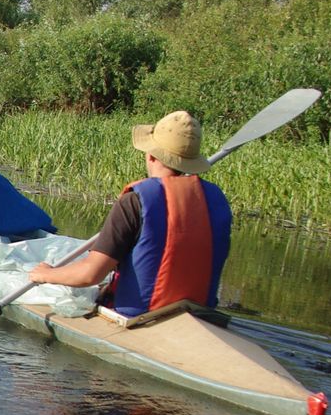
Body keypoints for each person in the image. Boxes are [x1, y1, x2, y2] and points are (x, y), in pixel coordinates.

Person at [28, 110, 232, 318]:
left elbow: (90, 274)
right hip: (201, 314)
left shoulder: (135, 201)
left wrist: (46, 274)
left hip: (140, 316)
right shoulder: (218, 200)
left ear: (151, 155)